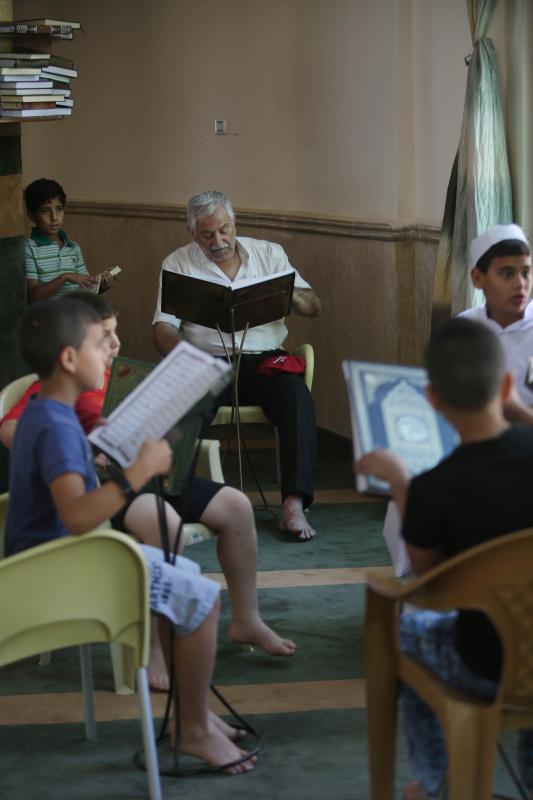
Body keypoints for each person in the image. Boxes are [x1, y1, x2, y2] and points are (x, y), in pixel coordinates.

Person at [4, 296, 256, 774]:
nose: (112, 348)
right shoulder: (57, 426)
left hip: (57, 563)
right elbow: (78, 516)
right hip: (58, 575)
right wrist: (137, 472)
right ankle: (192, 728)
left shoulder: (47, 411)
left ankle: (196, 714)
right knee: (201, 597)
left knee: (187, 578)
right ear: (69, 358)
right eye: (102, 341)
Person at [357, 318, 533, 800]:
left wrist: (400, 483)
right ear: (506, 387)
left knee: (409, 629)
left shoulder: (433, 487)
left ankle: (437, 785)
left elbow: (432, 587)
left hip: (485, 663)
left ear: (432, 400)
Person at [152, 190, 321, 541]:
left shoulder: (269, 254)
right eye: (207, 234)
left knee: (297, 397)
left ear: (234, 222)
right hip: (207, 362)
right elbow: (163, 329)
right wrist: (186, 359)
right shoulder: (177, 263)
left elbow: (313, 305)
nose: (218, 241)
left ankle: (294, 504)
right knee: (185, 404)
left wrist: (285, 294)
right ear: (192, 232)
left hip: (264, 360)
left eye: (224, 230)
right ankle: (183, 500)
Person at [24, 178, 116, 304]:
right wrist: (65, 277)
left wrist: (102, 286)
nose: (54, 217)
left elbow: (85, 289)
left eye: (59, 209)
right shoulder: (29, 249)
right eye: (46, 211)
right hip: (47, 316)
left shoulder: (73, 248)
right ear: (31, 216)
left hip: (74, 313)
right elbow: (33, 297)